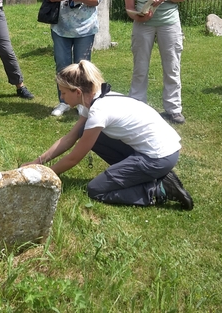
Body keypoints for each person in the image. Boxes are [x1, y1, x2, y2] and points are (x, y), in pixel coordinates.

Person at [22, 60, 193, 210]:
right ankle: (152, 176)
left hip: (159, 156)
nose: (62, 96)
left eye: (64, 92)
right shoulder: (95, 98)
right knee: (85, 132)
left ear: (78, 92)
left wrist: (46, 176)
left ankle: (158, 190)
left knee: (96, 189)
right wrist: (38, 163)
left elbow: (74, 158)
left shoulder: (99, 111)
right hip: (163, 150)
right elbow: (70, 137)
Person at [44, 0, 105, 117]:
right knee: (62, 65)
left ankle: (83, 103)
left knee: (83, 67)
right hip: (61, 25)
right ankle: (63, 102)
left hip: (85, 26)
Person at [123, 0, 186, 124]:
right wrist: (138, 16)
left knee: (172, 66)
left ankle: (173, 109)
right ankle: (137, 106)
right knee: (140, 67)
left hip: (169, 23)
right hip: (143, 24)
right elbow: (128, 8)